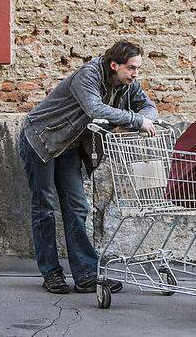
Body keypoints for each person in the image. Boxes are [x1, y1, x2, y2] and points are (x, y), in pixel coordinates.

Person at [18, 40, 158, 294]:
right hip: (41, 140)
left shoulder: (127, 84)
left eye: (138, 69)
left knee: (77, 206)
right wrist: (136, 120)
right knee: (45, 208)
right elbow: (94, 109)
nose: (136, 74)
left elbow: (149, 108)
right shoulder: (89, 74)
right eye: (131, 68)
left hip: (69, 146)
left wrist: (140, 119)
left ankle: (85, 275)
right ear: (114, 65)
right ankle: (51, 274)